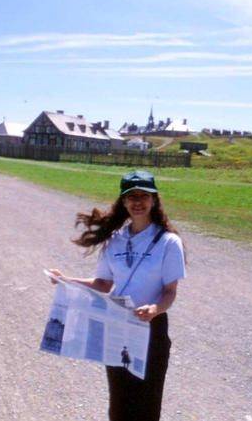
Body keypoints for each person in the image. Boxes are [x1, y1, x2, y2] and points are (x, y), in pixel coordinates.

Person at [50, 170, 186, 421]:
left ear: (154, 200)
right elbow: (103, 283)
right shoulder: (115, 240)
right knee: (120, 403)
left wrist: (155, 309)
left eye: (144, 195)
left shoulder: (169, 242)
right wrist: (66, 280)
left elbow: (170, 292)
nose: (138, 202)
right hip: (117, 325)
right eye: (131, 196)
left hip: (151, 328)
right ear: (123, 202)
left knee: (147, 403)